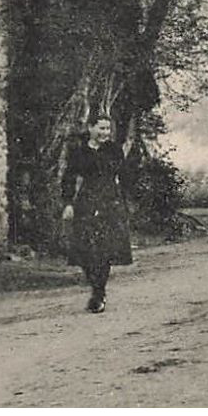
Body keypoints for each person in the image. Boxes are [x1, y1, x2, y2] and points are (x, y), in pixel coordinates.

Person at [62, 114, 133, 313]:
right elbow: (69, 177)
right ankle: (95, 285)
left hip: (110, 201)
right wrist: (68, 203)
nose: (105, 133)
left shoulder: (114, 150)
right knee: (85, 248)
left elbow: (124, 176)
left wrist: (125, 201)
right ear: (91, 128)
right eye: (101, 129)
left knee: (105, 249)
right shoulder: (79, 151)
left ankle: (98, 292)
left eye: (108, 129)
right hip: (86, 200)